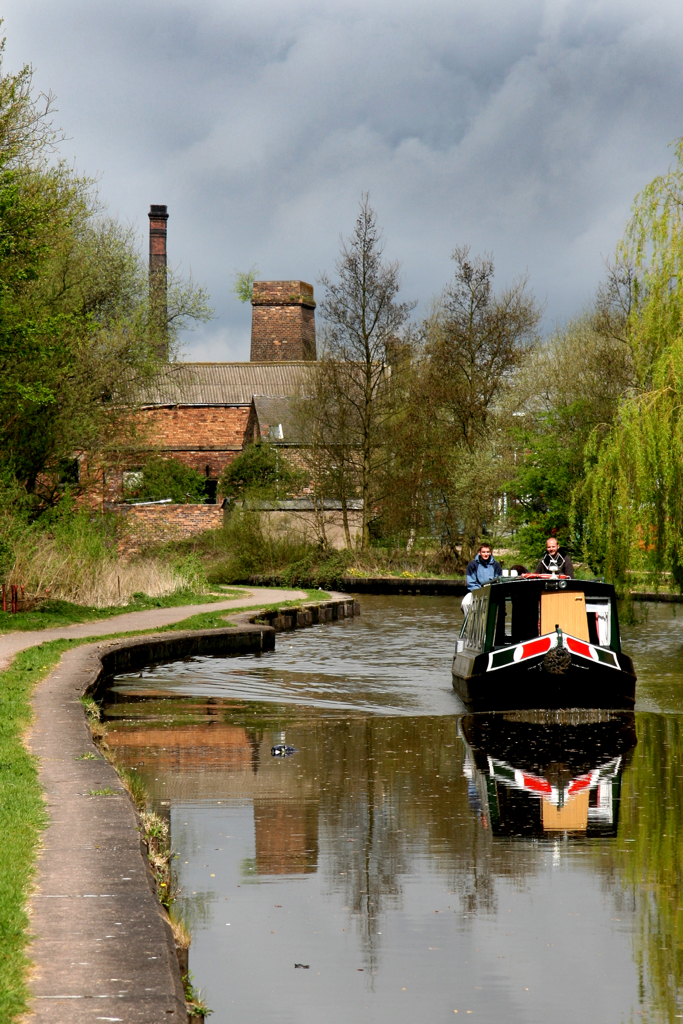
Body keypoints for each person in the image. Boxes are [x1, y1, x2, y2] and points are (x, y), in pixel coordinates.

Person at [462, 543, 502, 614]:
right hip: (476, 592)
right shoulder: (472, 565)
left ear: (490, 553)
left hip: (491, 593)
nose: (486, 554)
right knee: (465, 603)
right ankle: (471, 623)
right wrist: (480, 591)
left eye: (487, 552)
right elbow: (471, 583)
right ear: (479, 553)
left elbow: (498, 580)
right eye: (483, 552)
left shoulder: (496, 565)